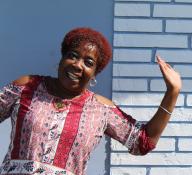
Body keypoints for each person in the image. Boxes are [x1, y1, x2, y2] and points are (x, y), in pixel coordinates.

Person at [0, 27, 181, 175]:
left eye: (88, 62)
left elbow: (142, 142)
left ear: (94, 73)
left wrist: (172, 92)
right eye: (72, 55)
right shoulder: (27, 86)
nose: (78, 65)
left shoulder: (101, 109)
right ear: (62, 58)